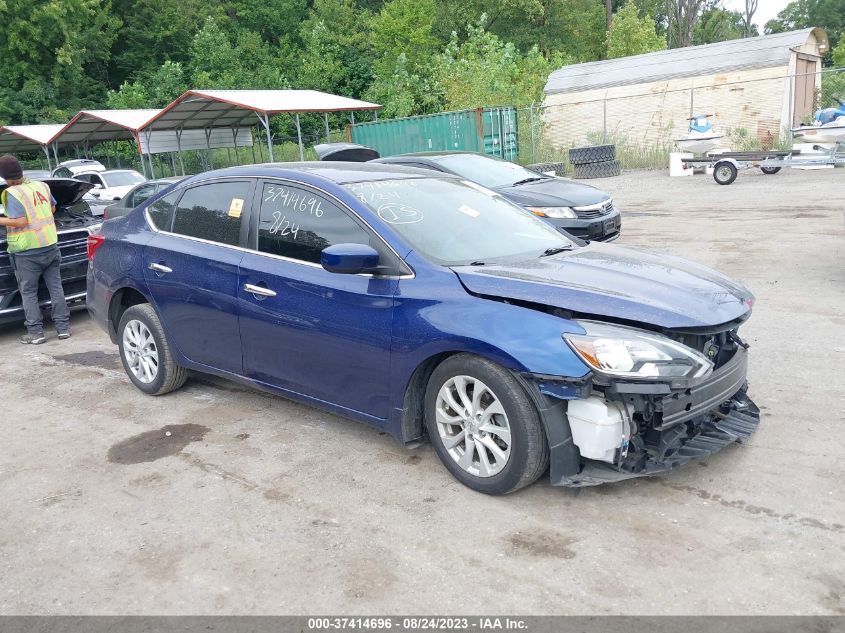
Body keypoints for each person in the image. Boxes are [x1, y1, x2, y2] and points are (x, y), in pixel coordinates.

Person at [0, 155, 70, 344]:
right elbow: (53, 209)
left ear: (5, 177)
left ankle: (35, 333)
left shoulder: (13, 193)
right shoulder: (42, 186)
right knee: (56, 288)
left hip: (27, 252)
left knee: (29, 292)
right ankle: (63, 329)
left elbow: (21, 221)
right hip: (50, 246)